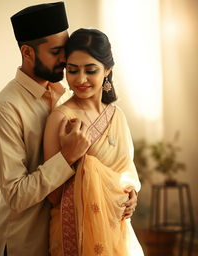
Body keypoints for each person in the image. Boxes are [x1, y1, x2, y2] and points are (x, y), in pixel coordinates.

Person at [0, 3, 91, 256]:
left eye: (66, 50)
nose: (65, 59)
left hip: (67, 241)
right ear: (27, 53)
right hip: (28, 244)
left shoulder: (65, 96)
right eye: (56, 52)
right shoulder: (6, 109)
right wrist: (67, 157)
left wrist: (124, 192)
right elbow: (16, 195)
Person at [44, 28, 144, 255]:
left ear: (107, 70)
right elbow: (53, 196)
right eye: (72, 70)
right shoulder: (60, 118)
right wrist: (72, 156)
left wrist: (131, 194)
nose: (80, 79)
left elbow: (126, 172)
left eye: (90, 70)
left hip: (116, 226)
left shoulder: (117, 115)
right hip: (75, 231)